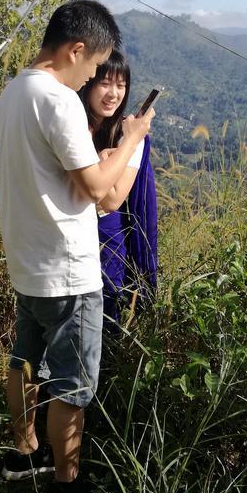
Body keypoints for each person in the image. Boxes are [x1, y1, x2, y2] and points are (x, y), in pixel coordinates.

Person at [0, 0, 154, 493]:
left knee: (24, 361)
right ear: (77, 49)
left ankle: (23, 456)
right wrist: (130, 141)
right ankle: (66, 486)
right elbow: (97, 192)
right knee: (73, 384)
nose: (91, 80)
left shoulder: (13, 91)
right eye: (92, 67)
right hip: (68, 269)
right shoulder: (59, 100)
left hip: (26, 259)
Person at [78, 51, 158, 325]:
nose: (113, 93)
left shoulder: (129, 138)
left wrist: (131, 140)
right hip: (67, 243)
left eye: (121, 85)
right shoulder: (73, 127)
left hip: (106, 244)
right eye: (105, 83)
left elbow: (111, 199)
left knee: (101, 321)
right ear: (88, 81)